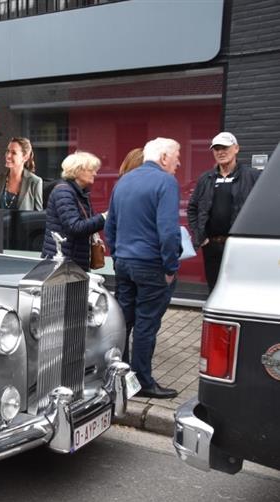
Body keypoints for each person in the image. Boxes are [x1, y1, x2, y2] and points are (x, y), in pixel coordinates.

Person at [105, 137, 182, 399]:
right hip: (151, 264)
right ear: (163, 157)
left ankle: (120, 376)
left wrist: (118, 256)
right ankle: (142, 382)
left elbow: (110, 226)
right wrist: (170, 267)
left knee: (123, 322)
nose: (178, 164)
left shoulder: (123, 181)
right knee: (146, 325)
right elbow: (169, 232)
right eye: (176, 158)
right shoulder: (165, 182)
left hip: (125, 264)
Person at [187, 132, 260, 292]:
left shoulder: (252, 176)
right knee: (214, 288)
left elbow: (261, 208)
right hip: (212, 245)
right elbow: (192, 208)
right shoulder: (206, 179)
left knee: (240, 288)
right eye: (217, 149)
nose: (220, 152)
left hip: (240, 246)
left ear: (236, 148)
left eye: (225, 148)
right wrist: (201, 237)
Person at [41, 151, 106, 270]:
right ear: (77, 170)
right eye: (91, 170)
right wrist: (104, 217)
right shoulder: (64, 192)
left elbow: (84, 221)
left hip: (72, 260)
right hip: (63, 264)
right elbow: (74, 227)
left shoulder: (80, 192)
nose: (95, 173)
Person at [0, 137, 43, 211]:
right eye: (7, 151)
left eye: (14, 153)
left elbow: (38, 215)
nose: (8, 156)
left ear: (25, 157)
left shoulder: (35, 182)